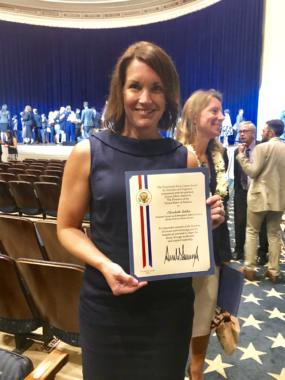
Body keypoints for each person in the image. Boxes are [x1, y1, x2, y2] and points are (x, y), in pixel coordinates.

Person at [57, 41, 224, 380]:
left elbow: (188, 233)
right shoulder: (87, 152)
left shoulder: (185, 158)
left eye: (156, 88)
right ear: (120, 90)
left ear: (169, 95)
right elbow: (67, 228)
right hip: (106, 308)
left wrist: (204, 223)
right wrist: (105, 265)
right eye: (135, 86)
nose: (145, 99)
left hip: (168, 312)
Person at [176, 89, 232, 380]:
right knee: (175, 317)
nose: (221, 116)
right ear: (194, 115)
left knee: (204, 315)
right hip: (178, 255)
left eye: (221, 111)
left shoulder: (219, 155)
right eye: (214, 110)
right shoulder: (173, 154)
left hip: (211, 253)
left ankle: (196, 369)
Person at [237, 119, 285, 282]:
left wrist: (241, 157)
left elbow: (252, 172)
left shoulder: (261, 148)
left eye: (264, 130)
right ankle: (274, 270)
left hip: (259, 197)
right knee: (274, 234)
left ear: (271, 132)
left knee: (252, 232)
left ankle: (249, 268)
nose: (262, 133)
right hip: (279, 198)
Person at [233, 121, 268, 264]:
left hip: (259, 192)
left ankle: (263, 252)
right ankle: (239, 250)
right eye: (240, 131)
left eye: (245, 131)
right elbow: (237, 173)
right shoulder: (237, 151)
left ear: (253, 133)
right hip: (242, 190)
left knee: (262, 223)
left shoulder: (262, 148)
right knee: (240, 221)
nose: (242, 134)